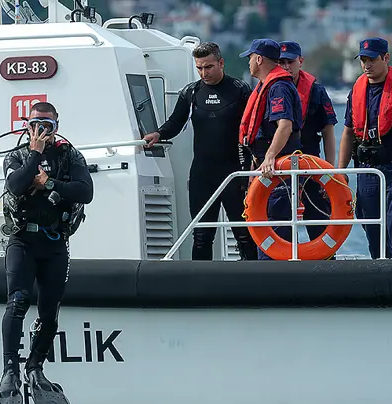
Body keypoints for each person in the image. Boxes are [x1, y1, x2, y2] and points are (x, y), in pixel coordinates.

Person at [0, 101, 93, 404]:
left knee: (49, 311)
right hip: (23, 242)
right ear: (26, 126)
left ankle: (36, 366)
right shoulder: (16, 157)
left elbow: (85, 191)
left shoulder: (69, 156)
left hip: (55, 243)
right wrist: (33, 154)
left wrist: (50, 184)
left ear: (57, 125)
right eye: (36, 125)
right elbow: (15, 185)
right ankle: (9, 371)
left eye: (48, 126)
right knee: (17, 301)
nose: (42, 131)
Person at [142, 41, 258, 261]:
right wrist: (158, 134)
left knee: (243, 234)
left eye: (209, 67)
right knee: (202, 234)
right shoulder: (191, 92)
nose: (204, 73)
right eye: (199, 68)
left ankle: (249, 281)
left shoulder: (239, 90)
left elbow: (253, 128)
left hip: (235, 172)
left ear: (221, 63)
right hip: (203, 174)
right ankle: (200, 284)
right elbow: (175, 122)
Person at [337, 37, 392, 259]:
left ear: (386, 58)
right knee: (371, 225)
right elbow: (348, 132)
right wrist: (341, 172)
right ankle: (380, 272)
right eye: (363, 60)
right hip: (368, 169)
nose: (367, 65)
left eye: (372, 60)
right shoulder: (357, 90)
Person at [237, 38, 303, 260]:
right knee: (267, 228)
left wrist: (269, 157)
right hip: (265, 169)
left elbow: (285, 125)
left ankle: (275, 280)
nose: (249, 64)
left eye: (250, 58)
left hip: (278, 173)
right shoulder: (269, 86)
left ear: (258, 59)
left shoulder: (278, 87)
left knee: (275, 229)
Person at [277, 41, 338, 246]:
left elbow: (329, 132)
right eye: (281, 62)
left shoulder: (316, 91)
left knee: (319, 223)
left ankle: (326, 265)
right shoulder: (271, 89)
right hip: (281, 167)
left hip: (312, 165)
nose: (286, 67)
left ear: (300, 62)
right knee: (280, 225)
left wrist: (331, 172)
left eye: (290, 62)